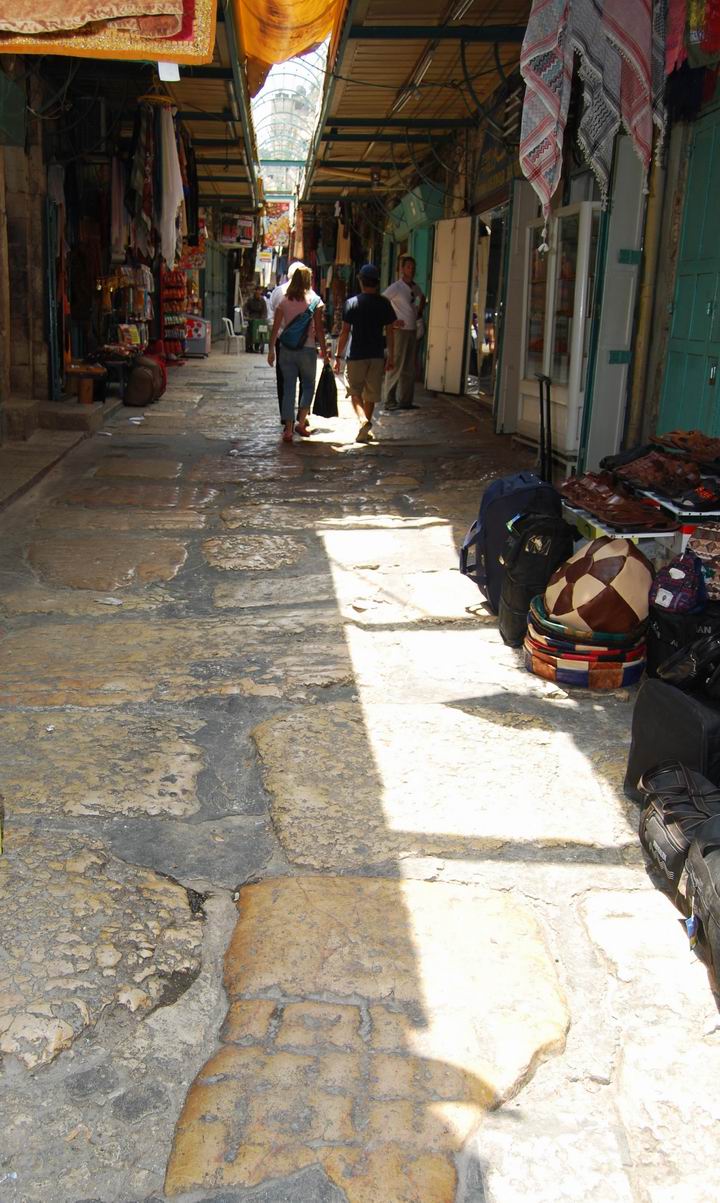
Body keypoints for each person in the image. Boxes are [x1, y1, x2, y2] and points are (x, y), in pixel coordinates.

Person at [334, 263, 396, 444]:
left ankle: (363, 421)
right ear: (376, 283)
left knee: (354, 391)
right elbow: (390, 332)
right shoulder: (384, 303)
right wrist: (391, 356)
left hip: (356, 354)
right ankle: (365, 430)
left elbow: (345, 332)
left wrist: (338, 356)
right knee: (371, 394)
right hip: (376, 354)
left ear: (360, 281)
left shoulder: (352, 303)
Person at [268, 265, 329, 443]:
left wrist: (272, 349)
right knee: (308, 385)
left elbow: (276, 327)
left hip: (286, 349)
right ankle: (301, 423)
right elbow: (319, 329)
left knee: (288, 388)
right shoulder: (315, 300)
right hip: (307, 349)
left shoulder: (284, 301)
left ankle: (288, 429)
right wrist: (325, 353)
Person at [383, 255, 426, 410]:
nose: (411, 270)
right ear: (402, 269)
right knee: (395, 364)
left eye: (413, 267)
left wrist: (419, 312)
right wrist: (392, 320)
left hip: (412, 330)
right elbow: (382, 300)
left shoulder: (415, 287)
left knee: (409, 367)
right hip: (399, 331)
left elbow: (422, 298)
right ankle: (389, 400)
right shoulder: (396, 287)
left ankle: (405, 401)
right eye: (408, 267)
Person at [268, 261, 307, 422]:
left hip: (282, 341)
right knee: (305, 378)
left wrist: (272, 346)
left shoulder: (278, 292)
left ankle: (286, 415)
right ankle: (302, 415)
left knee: (284, 378)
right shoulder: (308, 293)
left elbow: (271, 320)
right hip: (305, 342)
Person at [245, 286, 268, 353]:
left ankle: (257, 346)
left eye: (259, 291)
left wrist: (263, 318)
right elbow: (246, 308)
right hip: (252, 317)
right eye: (257, 291)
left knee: (260, 331)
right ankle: (249, 346)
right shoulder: (250, 300)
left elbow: (264, 311)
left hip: (259, 317)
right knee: (250, 331)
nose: (258, 293)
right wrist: (247, 315)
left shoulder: (262, 301)